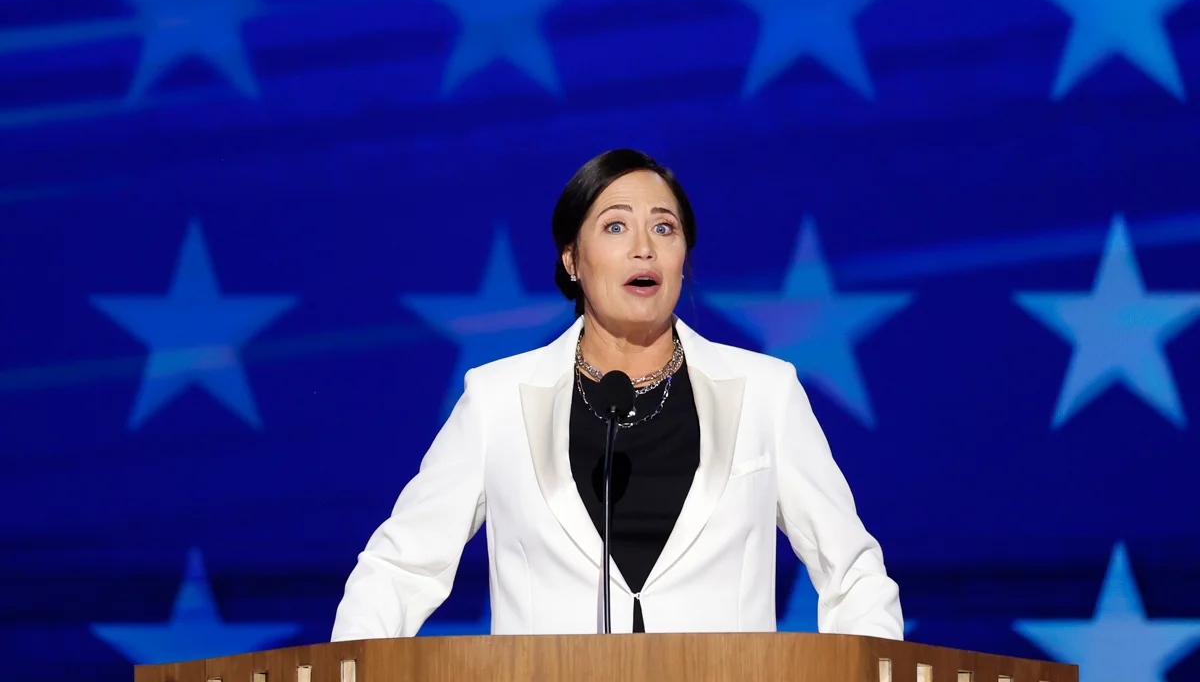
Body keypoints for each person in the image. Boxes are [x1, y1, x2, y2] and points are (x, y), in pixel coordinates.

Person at [330, 149, 903, 639]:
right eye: (615, 227)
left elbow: (852, 572)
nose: (644, 248)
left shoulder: (765, 392)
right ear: (572, 260)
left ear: (683, 259)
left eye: (664, 228)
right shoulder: (497, 400)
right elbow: (398, 569)